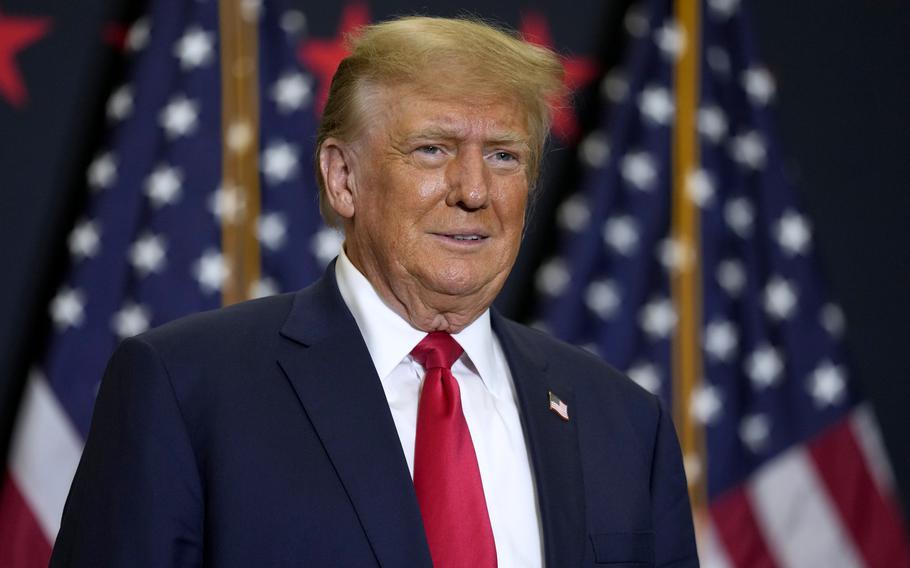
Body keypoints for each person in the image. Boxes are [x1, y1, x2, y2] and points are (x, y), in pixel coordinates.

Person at [51, 16, 698, 568]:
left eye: (504, 155)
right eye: (431, 149)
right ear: (343, 179)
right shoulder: (186, 388)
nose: (473, 191)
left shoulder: (624, 422)